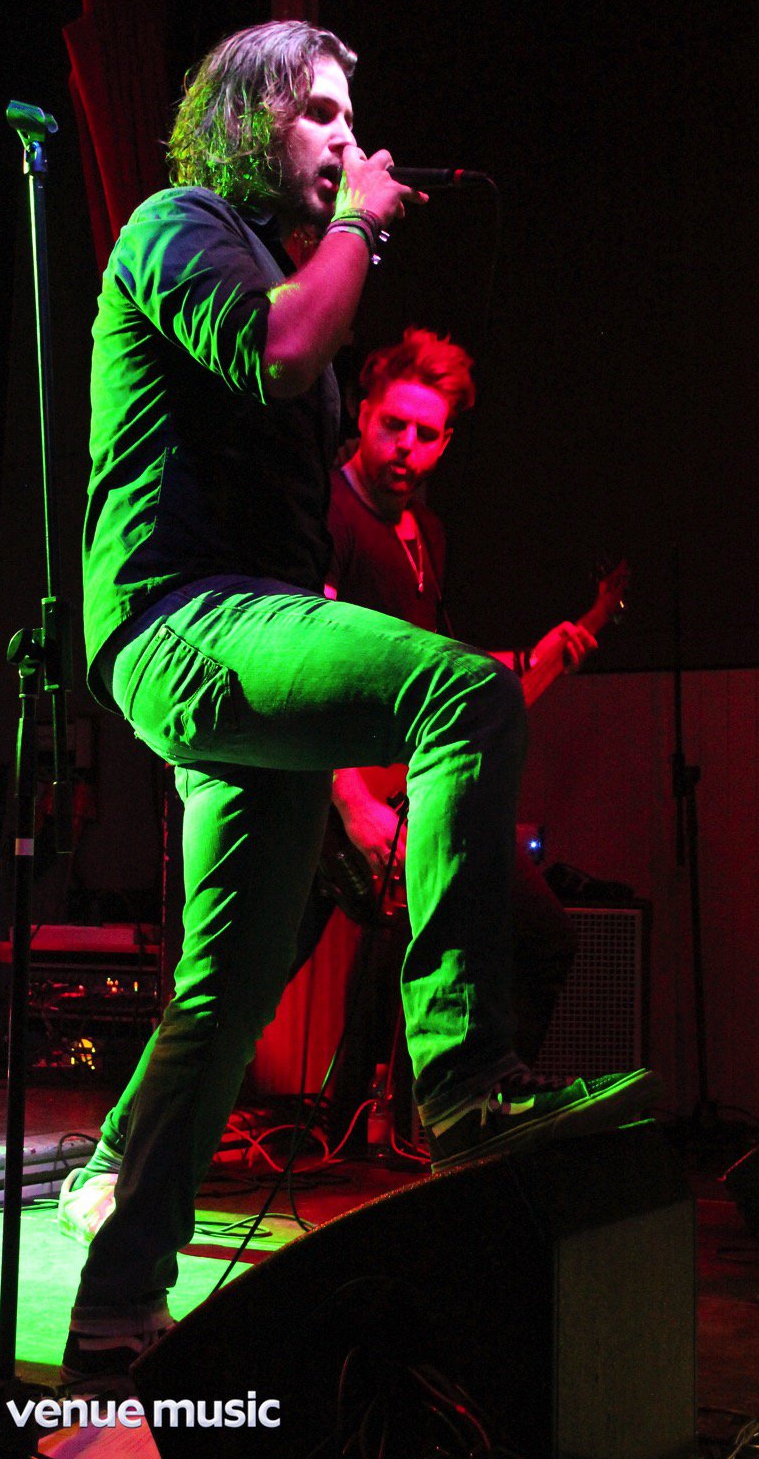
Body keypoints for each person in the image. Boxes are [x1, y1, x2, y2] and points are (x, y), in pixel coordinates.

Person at [63, 19, 657, 1380]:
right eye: (320, 113)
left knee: (227, 988)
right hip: (179, 620)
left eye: (350, 115)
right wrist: (358, 228)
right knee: (465, 701)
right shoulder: (175, 226)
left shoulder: (284, 271)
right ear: (247, 120)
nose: (348, 137)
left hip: (250, 635)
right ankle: (462, 1081)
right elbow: (277, 351)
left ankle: (115, 1306)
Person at [325, 326, 588, 1066]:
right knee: (253, 975)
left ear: (446, 441)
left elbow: (433, 662)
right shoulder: (329, 513)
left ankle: (479, 1109)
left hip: (414, 788)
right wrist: (351, 803)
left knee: (540, 938)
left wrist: (525, 659)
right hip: (332, 789)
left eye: (427, 434)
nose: (407, 447)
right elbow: (310, 671)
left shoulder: (426, 533)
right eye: (393, 425)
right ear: (362, 413)